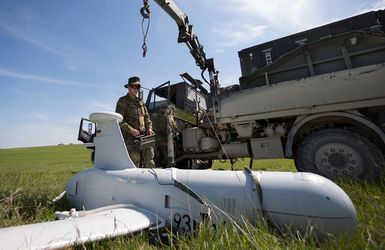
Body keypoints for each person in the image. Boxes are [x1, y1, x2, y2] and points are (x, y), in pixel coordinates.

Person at [115, 76, 155, 168]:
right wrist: (130, 129)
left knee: (150, 160)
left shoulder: (140, 102)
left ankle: (151, 180)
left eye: (137, 87)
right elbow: (119, 120)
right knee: (134, 162)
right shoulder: (122, 101)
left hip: (144, 135)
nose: (135, 89)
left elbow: (147, 117)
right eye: (133, 86)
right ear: (128, 87)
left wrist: (149, 127)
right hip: (131, 138)